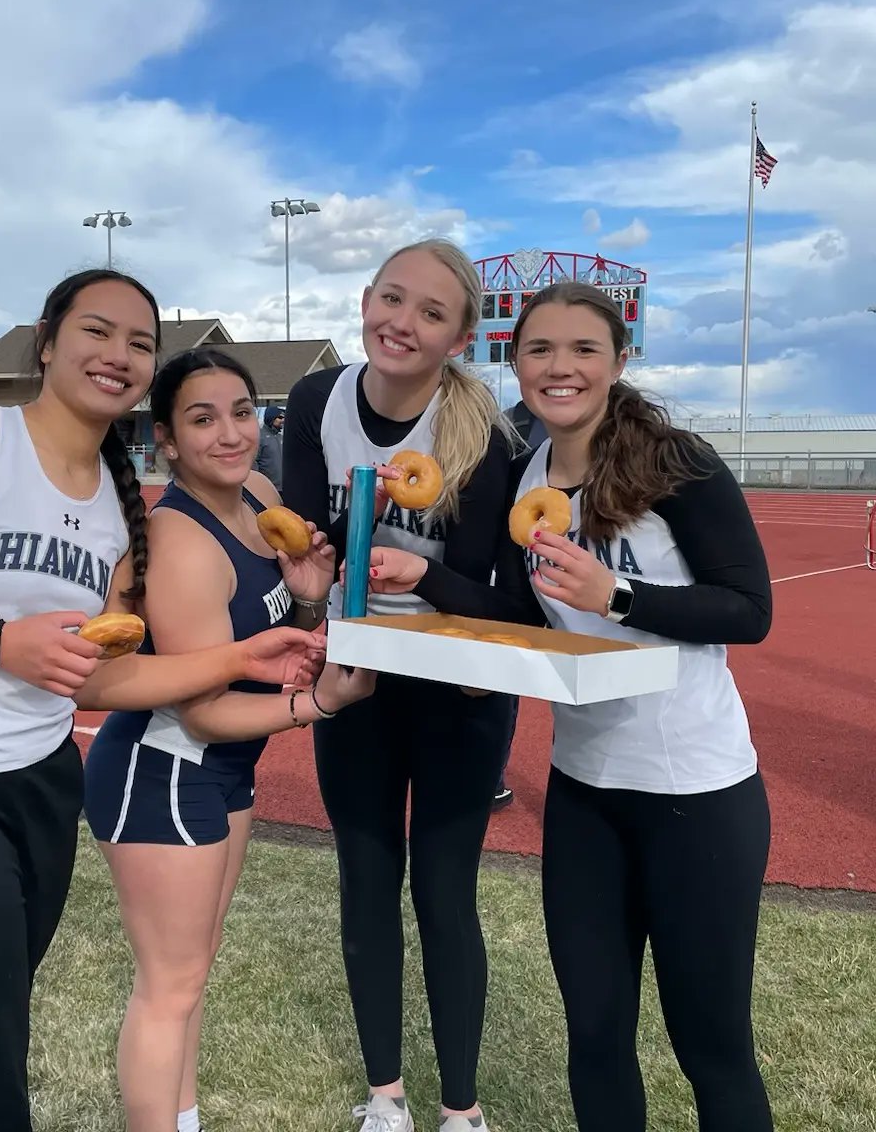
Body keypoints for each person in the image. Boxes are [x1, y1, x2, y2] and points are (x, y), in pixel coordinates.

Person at [0, 269, 326, 1132]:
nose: (119, 355)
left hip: (38, 787)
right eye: (97, 332)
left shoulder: (121, 510)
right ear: (47, 342)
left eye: (140, 343)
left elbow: (103, 680)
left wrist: (243, 652)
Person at [360, 281, 775, 1131]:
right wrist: (425, 578)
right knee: (593, 1034)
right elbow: (518, 614)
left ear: (620, 361)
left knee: (710, 1043)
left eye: (584, 349)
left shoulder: (678, 462)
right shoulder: (525, 476)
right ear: (516, 362)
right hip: (585, 792)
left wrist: (616, 593)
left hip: (697, 792)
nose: (561, 367)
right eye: (540, 349)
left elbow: (748, 608)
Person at [82, 346, 375, 1132]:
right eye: (202, 419)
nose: (229, 434)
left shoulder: (259, 493)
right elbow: (205, 709)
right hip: (163, 769)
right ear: (167, 441)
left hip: (222, 770)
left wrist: (311, 603)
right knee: (168, 986)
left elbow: (282, 625)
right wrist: (319, 703)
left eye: (241, 412)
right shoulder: (178, 541)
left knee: (191, 974)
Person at [282, 238, 522, 1132]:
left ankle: (462, 1110)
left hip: (458, 687)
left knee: (445, 892)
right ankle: (385, 1097)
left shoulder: (485, 435)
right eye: (392, 298)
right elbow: (303, 538)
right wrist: (310, 592)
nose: (403, 323)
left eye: (430, 312)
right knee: (366, 876)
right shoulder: (318, 399)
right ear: (364, 301)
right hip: (358, 682)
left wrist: (417, 577)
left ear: (459, 337)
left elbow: (497, 600)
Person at [491, 401, 547, 811]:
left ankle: (490, 774)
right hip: (501, 580)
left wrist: (616, 597)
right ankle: (490, 775)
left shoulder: (672, 458)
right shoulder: (504, 429)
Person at [255, 403, 284, 489]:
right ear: (271, 418)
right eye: (280, 417)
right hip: (267, 488)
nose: (283, 420)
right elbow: (253, 462)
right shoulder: (259, 436)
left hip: (284, 488)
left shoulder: (281, 437)